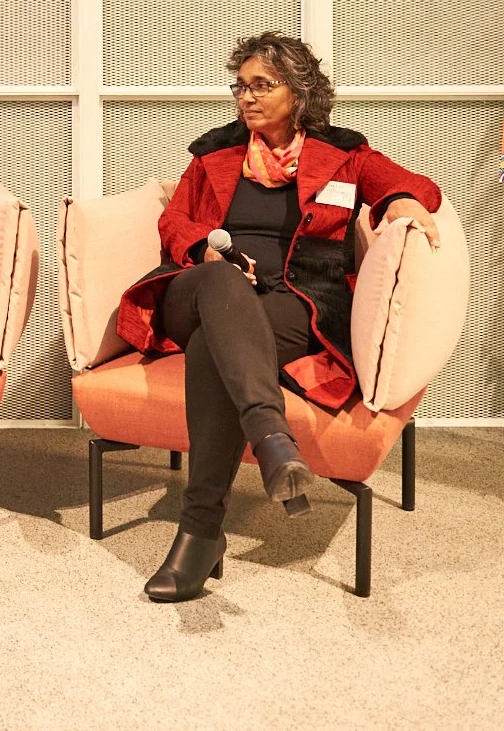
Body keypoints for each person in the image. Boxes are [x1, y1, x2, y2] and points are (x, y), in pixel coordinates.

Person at [116, 32, 442, 603]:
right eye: (241, 87)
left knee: (210, 354)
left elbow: (412, 185)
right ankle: (271, 438)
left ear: (300, 92)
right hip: (197, 290)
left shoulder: (344, 153)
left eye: (262, 86)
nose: (247, 98)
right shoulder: (214, 152)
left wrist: (403, 203)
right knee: (218, 286)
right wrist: (206, 251)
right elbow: (174, 224)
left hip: (298, 301)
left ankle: (199, 533)